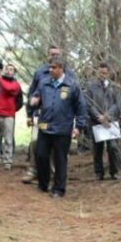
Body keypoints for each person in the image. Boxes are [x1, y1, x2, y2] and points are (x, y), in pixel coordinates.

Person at [30, 55, 87, 197]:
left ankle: (59, 189)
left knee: (60, 159)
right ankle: (43, 184)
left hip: (62, 129)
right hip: (45, 127)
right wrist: (34, 101)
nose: (50, 70)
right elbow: (36, 96)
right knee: (41, 155)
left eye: (54, 68)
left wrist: (78, 126)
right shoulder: (43, 83)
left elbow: (81, 108)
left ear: (61, 69)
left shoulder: (72, 85)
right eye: (49, 67)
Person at [24, 45, 75, 183]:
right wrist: (29, 114)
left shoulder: (69, 73)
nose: (54, 56)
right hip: (42, 115)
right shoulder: (40, 72)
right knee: (36, 143)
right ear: (47, 55)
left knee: (59, 147)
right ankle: (34, 170)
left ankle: (57, 173)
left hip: (62, 118)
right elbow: (32, 93)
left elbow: (75, 96)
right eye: (52, 54)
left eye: (57, 54)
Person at [85, 62, 121, 180]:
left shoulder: (114, 86)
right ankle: (99, 173)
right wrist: (98, 116)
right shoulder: (91, 87)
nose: (103, 75)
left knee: (113, 147)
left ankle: (114, 172)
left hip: (110, 122)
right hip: (96, 122)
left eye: (105, 73)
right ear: (97, 72)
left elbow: (118, 104)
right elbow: (89, 104)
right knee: (97, 149)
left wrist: (107, 116)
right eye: (101, 73)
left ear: (108, 73)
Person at [0, 63, 22, 170]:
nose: (9, 71)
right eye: (7, 69)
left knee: (8, 139)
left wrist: (13, 109)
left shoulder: (15, 84)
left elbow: (8, 89)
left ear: (14, 72)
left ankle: (8, 160)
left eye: (11, 69)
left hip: (9, 115)